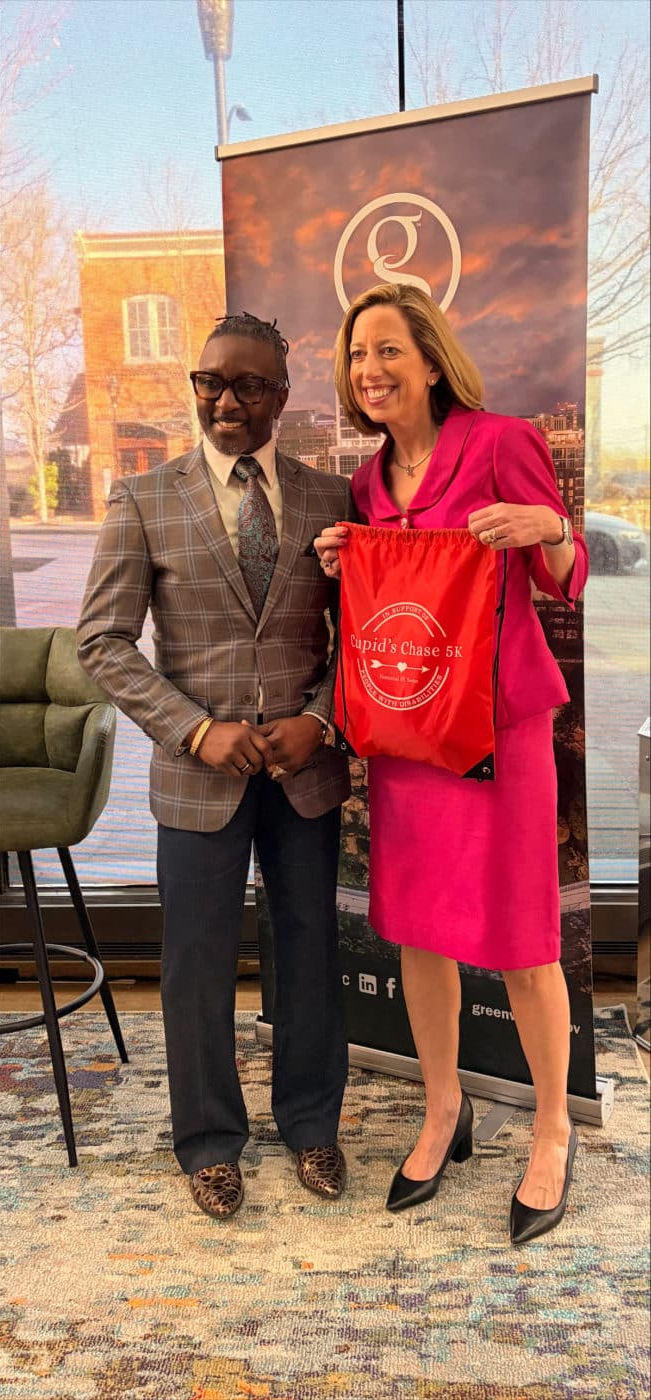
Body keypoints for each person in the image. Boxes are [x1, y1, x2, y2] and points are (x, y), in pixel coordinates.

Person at [314, 283, 589, 1245]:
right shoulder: (362, 485)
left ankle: (551, 1128)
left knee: (521, 938)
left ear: (430, 357)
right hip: (407, 732)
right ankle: (444, 1107)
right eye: (356, 357)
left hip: (500, 729)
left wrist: (545, 530)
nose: (370, 370)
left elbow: (567, 571)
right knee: (418, 931)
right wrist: (338, 559)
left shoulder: (503, 441)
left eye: (386, 349)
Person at [77, 312, 354, 1219]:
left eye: (246, 386)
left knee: (311, 948)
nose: (223, 400)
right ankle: (206, 1139)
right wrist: (196, 730)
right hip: (199, 775)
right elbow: (105, 643)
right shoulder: (144, 498)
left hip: (303, 771)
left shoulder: (329, 500)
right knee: (196, 959)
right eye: (209, 383)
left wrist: (320, 718)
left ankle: (313, 1125)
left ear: (282, 394)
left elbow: (364, 639)